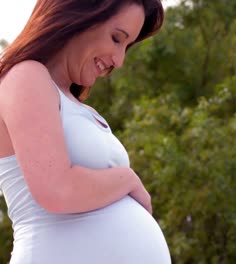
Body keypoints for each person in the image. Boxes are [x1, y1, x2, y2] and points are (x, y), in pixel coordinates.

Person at [0, 0, 171, 263]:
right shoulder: (26, 75)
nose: (120, 60)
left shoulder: (76, 106)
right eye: (116, 38)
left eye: (127, 46)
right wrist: (127, 179)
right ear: (78, 14)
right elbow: (55, 189)